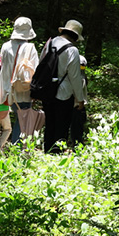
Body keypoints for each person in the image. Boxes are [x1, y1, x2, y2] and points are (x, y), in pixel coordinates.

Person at [39, 20, 86, 154]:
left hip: (47, 91)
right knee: (62, 126)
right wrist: (80, 99)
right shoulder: (72, 50)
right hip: (64, 94)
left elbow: (41, 64)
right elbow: (75, 77)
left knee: (50, 124)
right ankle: (57, 154)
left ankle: (47, 152)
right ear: (76, 36)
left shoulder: (50, 43)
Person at [0, 17, 39, 144]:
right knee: (22, 124)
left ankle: (10, 148)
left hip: (6, 92)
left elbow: (2, 68)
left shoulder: (5, 46)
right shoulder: (30, 48)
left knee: (14, 121)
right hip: (23, 92)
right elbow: (35, 72)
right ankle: (18, 152)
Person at [69, 55, 88, 147]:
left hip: (80, 104)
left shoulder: (83, 77)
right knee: (75, 126)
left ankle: (77, 143)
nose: (82, 68)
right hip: (74, 105)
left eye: (83, 66)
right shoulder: (73, 76)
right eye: (80, 66)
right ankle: (76, 144)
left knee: (79, 126)